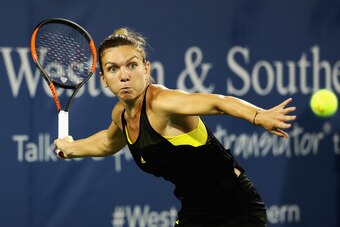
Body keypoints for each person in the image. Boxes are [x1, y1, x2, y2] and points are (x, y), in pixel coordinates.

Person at [54, 28, 296, 227]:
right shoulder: (121, 115)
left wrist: (258, 115)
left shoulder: (162, 102)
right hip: (195, 211)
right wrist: (72, 148)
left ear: (146, 69)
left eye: (132, 65)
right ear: (104, 79)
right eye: (113, 69)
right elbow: (108, 142)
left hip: (236, 209)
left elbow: (218, 103)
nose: (124, 76)